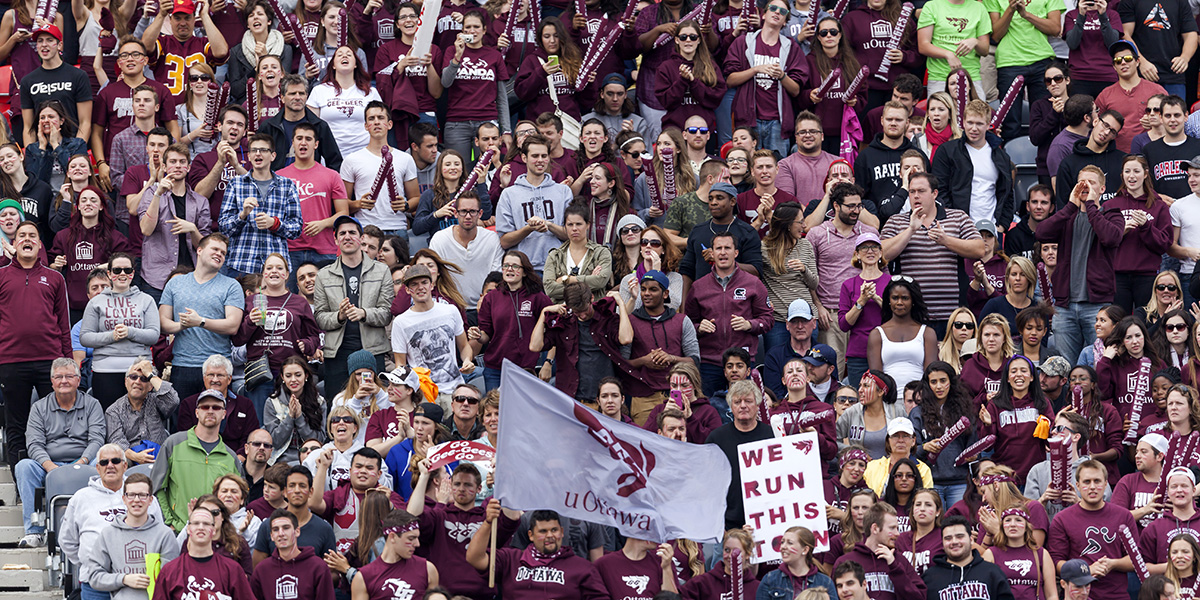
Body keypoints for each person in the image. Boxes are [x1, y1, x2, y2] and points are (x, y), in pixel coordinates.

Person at [0, 220, 71, 469]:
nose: (27, 239)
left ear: (40, 244)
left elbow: (64, 323)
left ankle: (55, 477)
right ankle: (22, 482)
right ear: (14, 243)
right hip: (11, 361)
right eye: (22, 236)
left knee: (56, 422)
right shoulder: (1, 276)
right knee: (16, 425)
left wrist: (68, 362)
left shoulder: (55, 278)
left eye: (32, 235)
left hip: (49, 362)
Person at [1037, 166, 1125, 366]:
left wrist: (1091, 205)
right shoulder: (1067, 216)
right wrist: (1070, 206)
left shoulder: (1112, 214)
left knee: (1098, 364)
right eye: (1081, 182)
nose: (1085, 186)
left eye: (1091, 182)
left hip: (1097, 306)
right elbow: (1041, 233)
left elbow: (1111, 237)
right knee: (1064, 366)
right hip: (1065, 306)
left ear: (1102, 189)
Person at [15, 358, 105, 547]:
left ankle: (98, 525)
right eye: (59, 377)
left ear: (78, 381)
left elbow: (97, 439)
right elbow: (34, 444)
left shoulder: (92, 404)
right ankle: (35, 532)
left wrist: (81, 463)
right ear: (52, 382)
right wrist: (52, 468)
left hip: (84, 462)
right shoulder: (39, 407)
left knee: (102, 462)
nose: (64, 381)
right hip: (49, 464)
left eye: (69, 376)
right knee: (24, 466)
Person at [881, 173, 985, 331]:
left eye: (921, 191)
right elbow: (882, 255)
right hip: (911, 314)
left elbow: (979, 249)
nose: (915, 196)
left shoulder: (957, 217)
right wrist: (910, 230)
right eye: (911, 191)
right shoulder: (896, 221)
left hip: (952, 315)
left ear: (934, 193)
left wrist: (946, 240)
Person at [60, 443, 165, 600]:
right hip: (95, 584)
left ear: (124, 465)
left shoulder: (142, 494)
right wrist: (89, 562)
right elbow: (67, 541)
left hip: (137, 581)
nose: (109, 466)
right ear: (97, 468)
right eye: (104, 462)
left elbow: (159, 533)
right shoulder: (80, 498)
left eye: (115, 461)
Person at [313, 216, 395, 400]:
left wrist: (364, 313)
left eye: (352, 232)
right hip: (337, 354)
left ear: (361, 238)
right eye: (342, 233)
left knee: (372, 404)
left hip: (372, 352)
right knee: (338, 406)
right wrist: (339, 316)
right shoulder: (324, 275)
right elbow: (319, 317)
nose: (347, 237)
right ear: (335, 239)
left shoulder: (381, 271)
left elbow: (387, 313)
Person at [684, 231, 775, 396]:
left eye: (727, 248)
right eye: (718, 248)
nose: (723, 252)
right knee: (710, 411)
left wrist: (750, 324)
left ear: (736, 253)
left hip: (742, 362)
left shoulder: (753, 283)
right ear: (712, 253)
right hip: (709, 363)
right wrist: (698, 327)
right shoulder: (698, 287)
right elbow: (686, 323)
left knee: (745, 407)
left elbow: (768, 319)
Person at [151, 389, 245, 531]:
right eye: (205, 407)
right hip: (178, 531)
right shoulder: (173, 444)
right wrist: (169, 521)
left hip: (215, 535)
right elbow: (156, 487)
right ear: (197, 412)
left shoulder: (231, 457)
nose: (210, 411)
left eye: (216, 407)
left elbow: (239, 501)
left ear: (224, 414)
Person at [1046, 461, 1138, 600]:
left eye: (1097, 481)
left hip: (1116, 595)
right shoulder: (1062, 519)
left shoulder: (1123, 515)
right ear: (1077, 485)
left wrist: (1112, 564)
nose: (1092, 487)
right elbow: (1056, 562)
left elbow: (1135, 560)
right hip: (1079, 595)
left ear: (1106, 483)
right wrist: (1086, 571)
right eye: (1087, 482)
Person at [531, 281, 633, 403]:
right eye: (577, 312)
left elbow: (626, 338)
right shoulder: (564, 322)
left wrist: (621, 303)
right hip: (571, 398)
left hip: (602, 399)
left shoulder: (606, 318)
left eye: (585, 309)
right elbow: (534, 346)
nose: (583, 315)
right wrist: (544, 313)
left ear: (592, 298)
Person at [79, 252, 158, 408]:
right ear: (109, 274)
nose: (122, 274)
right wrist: (112, 336)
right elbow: (85, 337)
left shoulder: (146, 300)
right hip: (105, 370)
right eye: (117, 270)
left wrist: (130, 332)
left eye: (127, 270)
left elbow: (154, 335)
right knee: (109, 418)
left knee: (141, 418)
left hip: (140, 370)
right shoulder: (96, 302)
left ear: (133, 273)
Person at [83, 472, 179, 600]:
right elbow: (94, 577)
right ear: (124, 499)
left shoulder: (165, 535)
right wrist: (123, 579)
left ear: (151, 500)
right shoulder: (108, 534)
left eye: (143, 495)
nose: (137, 500)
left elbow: (172, 579)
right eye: (131, 495)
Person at [391, 264, 475, 403]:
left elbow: (464, 346)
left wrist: (467, 360)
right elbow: (400, 364)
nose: (420, 287)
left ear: (431, 285)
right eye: (414, 284)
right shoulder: (401, 322)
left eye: (424, 282)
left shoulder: (451, 311)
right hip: (423, 394)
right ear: (407, 289)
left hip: (454, 390)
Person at [138, 142, 213, 299]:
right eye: (173, 162)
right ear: (164, 167)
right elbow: (146, 229)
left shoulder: (200, 202)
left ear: (189, 167)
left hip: (191, 278)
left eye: (182, 162)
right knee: (156, 324)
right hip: (156, 279)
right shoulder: (151, 193)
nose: (178, 166)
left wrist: (192, 229)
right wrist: (158, 193)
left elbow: (205, 247)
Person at [495, 135, 573, 274]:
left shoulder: (563, 191)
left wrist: (548, 225)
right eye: (535, 156)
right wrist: (529, 229)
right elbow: (504, 241)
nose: (540, 160)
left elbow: (572, 234)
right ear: (524, 158)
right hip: (524, 271)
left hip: (558, 269)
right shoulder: (509, 194)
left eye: (544, 155)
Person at [930, 101, 1015, 228]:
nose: (974, 128)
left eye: (979, 124)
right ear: (963, 122)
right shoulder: (947, 151)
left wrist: (1002, 225)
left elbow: (1007, 194)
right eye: (970, 123)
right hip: (957, 228)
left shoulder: (1001, 157)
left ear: (988, 125)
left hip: (991, 229)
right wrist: (953, 222)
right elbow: (939, 190)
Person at [1107, 155, 1174, 312]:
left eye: (1136, 171)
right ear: (1122, 175)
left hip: (1147, 275)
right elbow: (1103, 240)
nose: (1132, 176)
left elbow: (1165, 244)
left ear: (1145, 174)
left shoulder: (1159, 206)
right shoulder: (1111, 205)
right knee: (1119, 324)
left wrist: (1146, 227)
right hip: (1117, 275)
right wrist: (1120, 232)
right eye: (1127, 171)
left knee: (1146, 321)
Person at [707, 381, 775, 529]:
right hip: (727, 525)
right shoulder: (716, 439)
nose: (743, 405)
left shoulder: (772, 435)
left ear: (758, 406)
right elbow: (708, 482)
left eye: (748, 401)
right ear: (731, 407)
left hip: (767, 522)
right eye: (737, 402)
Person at [833, 502, 927, 600]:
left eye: (897, 528)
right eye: (892, 528)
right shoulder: (846, 561)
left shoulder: (899, 561)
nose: (898, 533)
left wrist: (894, 567)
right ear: (875, 528)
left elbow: (919, 598)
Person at [154, 506, 254, 599]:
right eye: (196, 523)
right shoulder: (170, 571)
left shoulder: (232, 569)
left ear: (214, 530)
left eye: (206, 524)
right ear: (188, 529)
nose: (201, 527)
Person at [139, 0, 229, 102]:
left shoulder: (203, 43)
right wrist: (161, 14)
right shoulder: (163, 42)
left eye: (187, 18)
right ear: (170, 20)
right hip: (167, 109)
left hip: (198, 110)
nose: (182, 23)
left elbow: (222, 52)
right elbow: (145, 47)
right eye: (177, 18)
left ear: (194, 19)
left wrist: (205, 16)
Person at [19, 25, 92, 147]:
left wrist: (75, 152)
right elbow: (28, 127)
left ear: (59, 45)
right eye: (40, 41)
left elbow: (85, 122)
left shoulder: (78, 76)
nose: (44, 44)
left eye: (49, 40)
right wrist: (32, 156)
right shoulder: (27, 81)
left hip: (71, 146)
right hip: (42, 149)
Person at [250, 465, 336, 564]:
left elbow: (331, 573)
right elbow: (257, 570)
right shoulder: (268, 526)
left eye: (302, 486)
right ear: (285, 492)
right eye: (292, 485)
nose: (297, 490)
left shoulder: (324, 529)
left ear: (311, 492)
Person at [175, 355, 261, 452]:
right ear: (204, 378)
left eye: (220, 375)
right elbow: (185, 439)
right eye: (211, 375)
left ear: (229, 379)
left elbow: (250, 437)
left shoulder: (245, 404)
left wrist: (238, 460)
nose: (215, 380)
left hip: (235, 460)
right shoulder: (189, 404)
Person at [1094, 40, 1167, 153]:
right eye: (1118, 61)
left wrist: (1157, 122)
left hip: (1151, 153)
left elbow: (1173, 120)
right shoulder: (1105, 94)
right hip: (1116, 155)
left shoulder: (1156, 90)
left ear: (1137, 61)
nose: (1123, 63)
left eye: (1128, 59)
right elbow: (1094, 125)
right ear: (1114, 66)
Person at [261, 75, 343, 172]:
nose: (297, 97)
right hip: (278, 184)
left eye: (301, 93)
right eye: (292, 94)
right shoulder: (268, 127)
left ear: (306, 97)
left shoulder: (319, 126)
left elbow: (335, 161)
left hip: (311, 183)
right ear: (282, 98)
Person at [249, 509, 336, 600]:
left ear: (297, 531)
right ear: (271, 536)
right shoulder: (262, 570)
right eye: (276, 530)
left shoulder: (318, 567)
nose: (281, 534)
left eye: (286, 528)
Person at [1118, 0, 1197, 100]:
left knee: (1175, 113)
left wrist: (1185, 57)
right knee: (1144, 114)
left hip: (1173, 73)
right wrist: (1141, 61)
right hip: (1141, 74)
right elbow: (1125, 34)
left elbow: (1191, 33)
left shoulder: (1180, 1)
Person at [868, 278, 937, 392]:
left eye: (905, 298)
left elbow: (931, 374)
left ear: (913, 301)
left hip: (919, 399)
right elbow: (876, 377)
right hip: (887, 399)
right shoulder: (877, 334)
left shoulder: (927, 333)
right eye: (895, 298)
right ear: (889, 300)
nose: (899, 302)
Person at [923, 515, 1015, 600]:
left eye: (960, 536)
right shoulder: (930, 578)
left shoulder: (992, 572)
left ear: (971, 540)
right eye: (948, 538)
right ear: (942, 543)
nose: (954, 541)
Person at [105, 359, 178, 464]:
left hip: (160, 457)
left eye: (144, 378)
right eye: (133, 377)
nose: (137, 382)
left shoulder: (157, 401)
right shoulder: (114, 411)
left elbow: (173, 400)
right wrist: (137, 457)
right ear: (126, 382)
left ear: (150, 386)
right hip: (131, 460)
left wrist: (150, 374)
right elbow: (117, 442)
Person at [982, 506, 1059, 600]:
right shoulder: (991, 554)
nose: (1012, 524)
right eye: (1008, 520)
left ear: (1027, 526)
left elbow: (1052, 595)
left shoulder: (1041, 554)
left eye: (1018, 520)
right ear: (1002, 526)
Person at [917, 0, 990, 97]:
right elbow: (923, 46)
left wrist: (975, 42)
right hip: (940, 76)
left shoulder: (979, 7)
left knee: (977, 112)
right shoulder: (932, 6)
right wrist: (947, 54)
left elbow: (985, 50)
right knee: (939, 112)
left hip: (971, 77)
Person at [543, 202, 614, 302]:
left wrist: (568, 279)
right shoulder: (554, 255)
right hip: (563, 313)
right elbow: (549, 289)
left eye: (579, 224)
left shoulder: (601, 253)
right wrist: (588, 281)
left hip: (592, 312)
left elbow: (600, 281)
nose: (574, 228)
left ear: (588, 225)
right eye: (570, 224)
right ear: (565, 227)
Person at [1054, 110, 1126, 207]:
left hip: (1116, 219)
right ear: (1095, 121)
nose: (1106, 132)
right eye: (1105, 125)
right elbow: (1063, 205)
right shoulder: (1069, 163)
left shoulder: (1123, 161)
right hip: (1082, 220)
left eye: (1112, 131)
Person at [1111, 432, 1168, 529]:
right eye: (1137, 451)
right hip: (1134, 542)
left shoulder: (1173, 484)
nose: (1137, 455)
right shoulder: (1127, 481)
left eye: (1143, 451)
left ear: (1159, 456)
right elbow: (1115, 518)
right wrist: (1145, 510)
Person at [679, 528, 758, 599]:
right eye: (727, 550)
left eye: (736, 551)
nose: (731, 556)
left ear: (748, 554)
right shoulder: (704, 582)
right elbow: (677, 596)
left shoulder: (757, 588)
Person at [1029, 63, 1072, 185]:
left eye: (1058, 79)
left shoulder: (1077, 104)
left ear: (1067, 80)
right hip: (1046, 167)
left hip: (1073, 164)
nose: (1053, 83)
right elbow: (1035, 138)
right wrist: (1053, 114)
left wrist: (1064, 113)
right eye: (1048, 81)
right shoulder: (1038, 105)